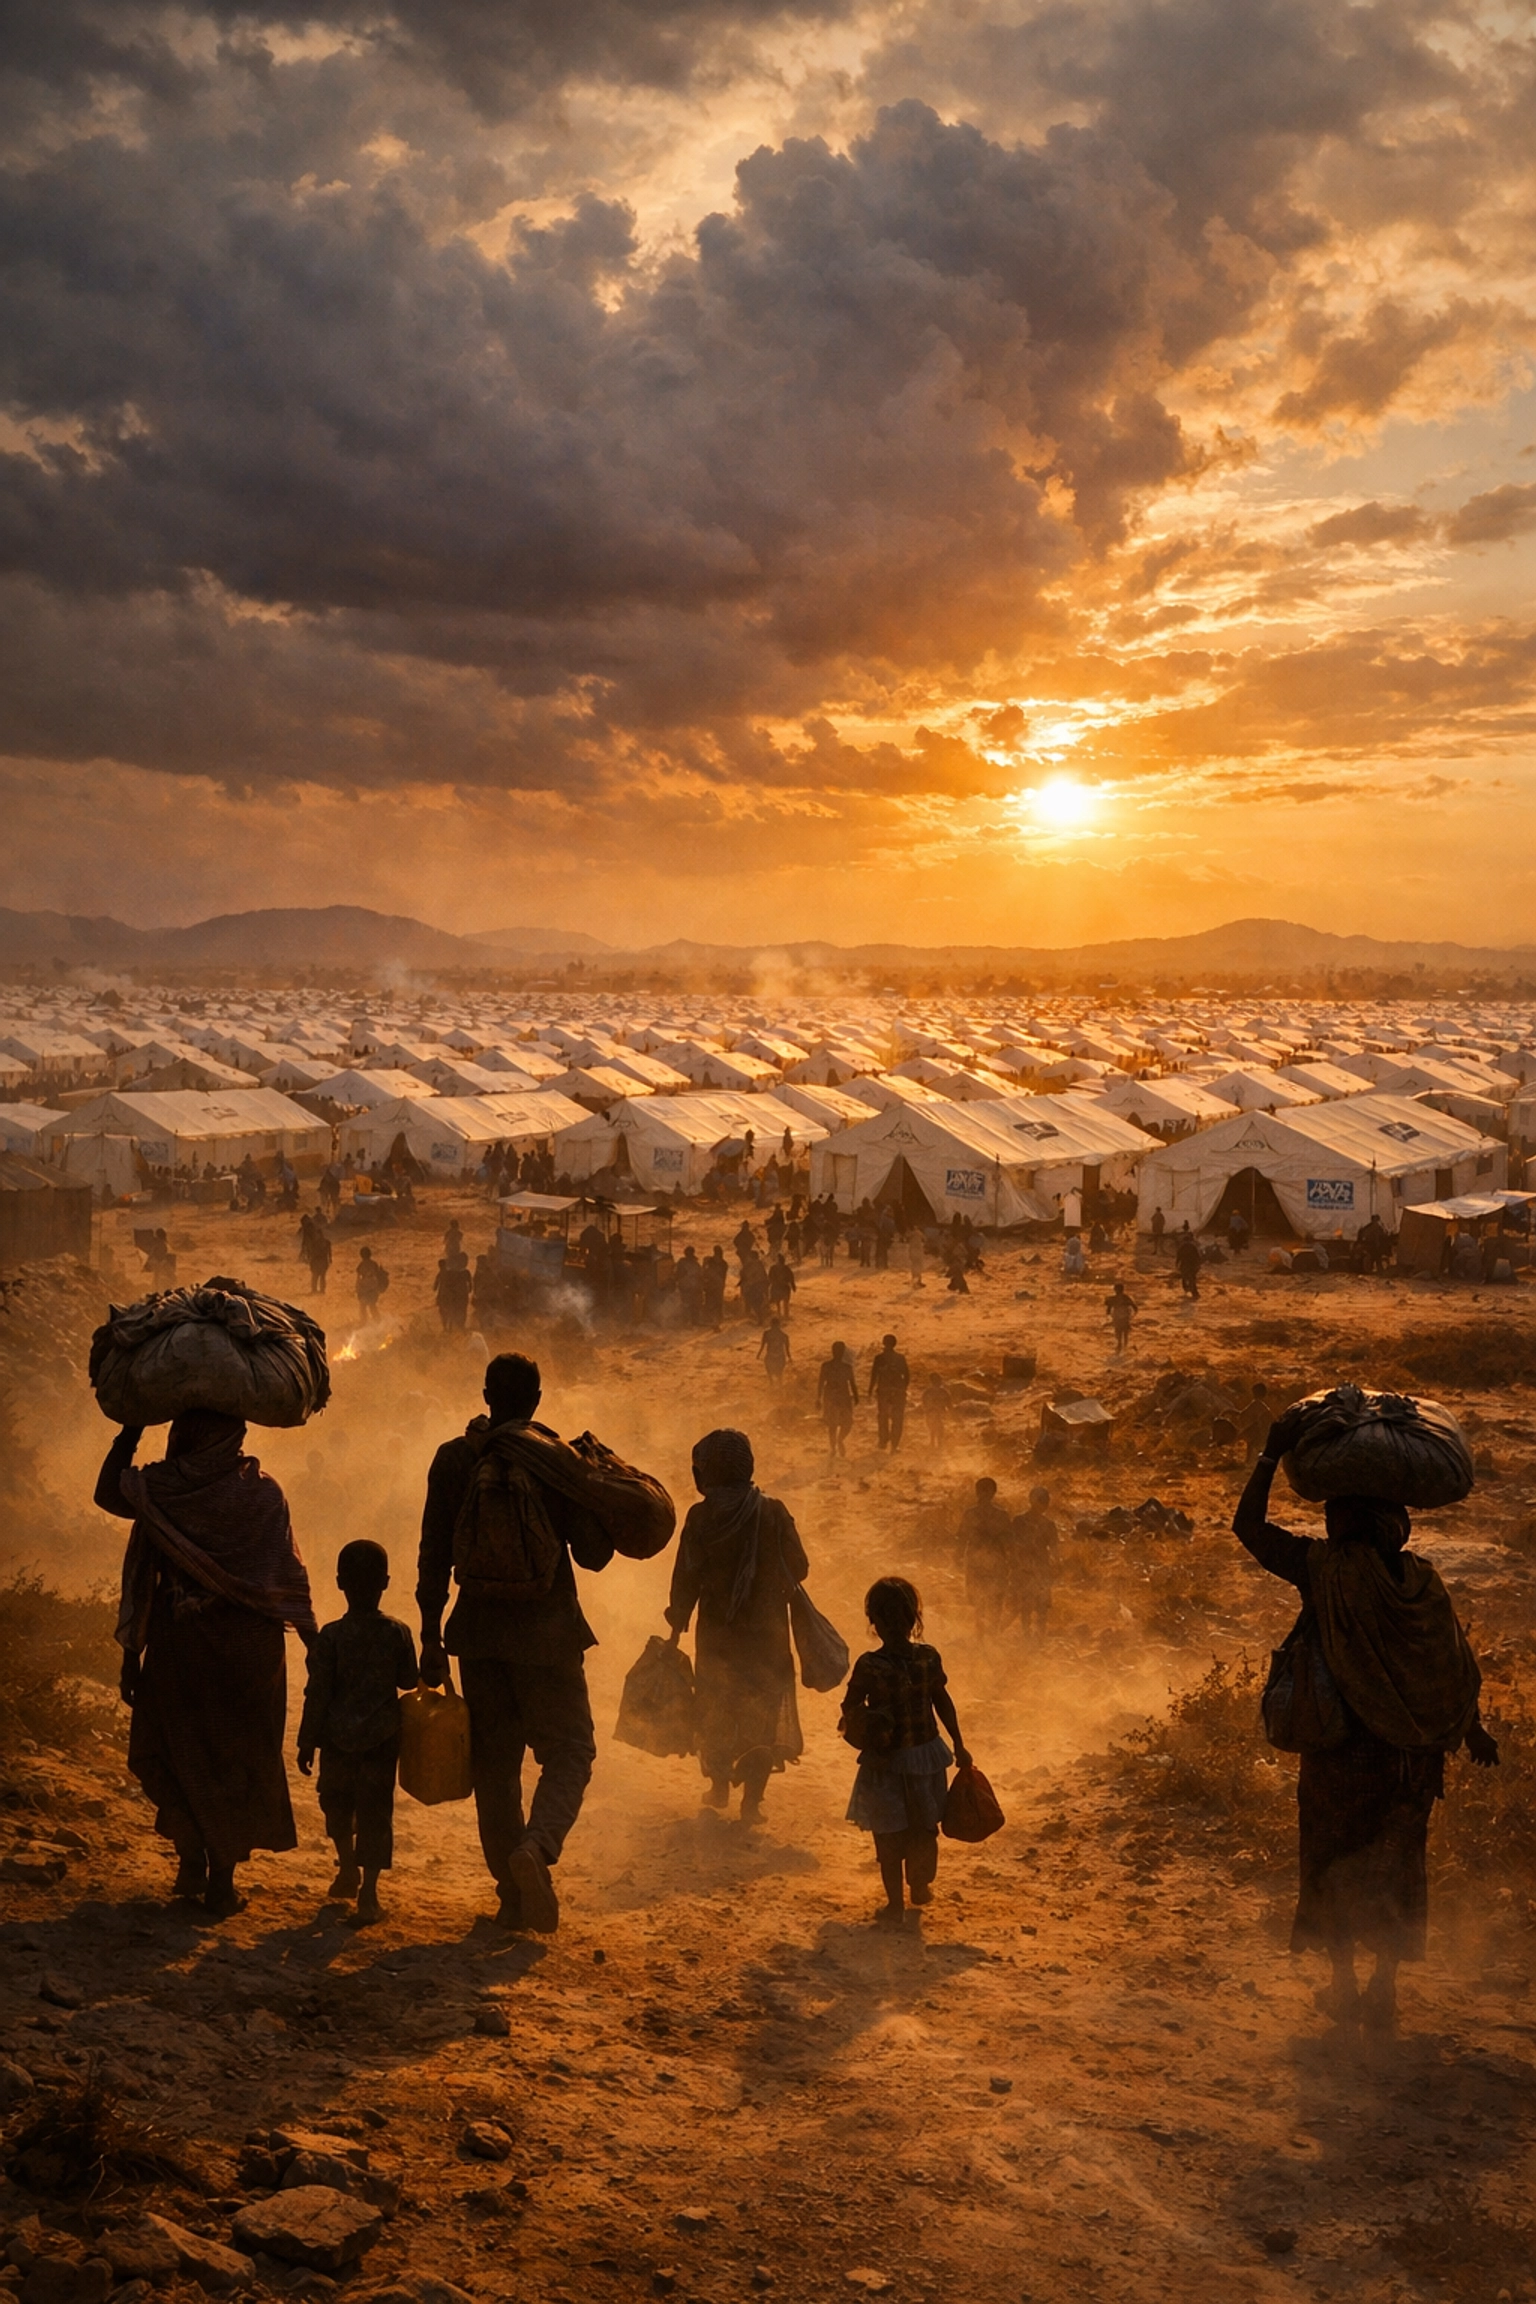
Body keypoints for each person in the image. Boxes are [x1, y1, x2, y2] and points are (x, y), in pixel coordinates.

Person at [1233, 1410, 1497, 2033]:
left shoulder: (1326, 1571)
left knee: (1331, 1862)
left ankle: (1347, 1984)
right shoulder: (1423, 1585)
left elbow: (1247, 1527)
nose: (1330, 1521)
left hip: (1342, 1758)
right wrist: (1472, 1729)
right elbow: (1451, 1665)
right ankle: (1381, 1988)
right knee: (1397, 1869)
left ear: (1357, 1524)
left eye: (1339, 1514)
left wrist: (1271, 1454)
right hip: (1409, 1763)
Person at [417, 1352, 666, 1931]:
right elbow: (596, 1556)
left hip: (477, 1636)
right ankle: (538, 1846)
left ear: (486, 1395)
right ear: (535, 1402)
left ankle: (511, 1894)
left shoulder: (455, 1459)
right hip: (549, 1637)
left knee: (495, 1769)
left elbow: (433, 1556)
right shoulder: (557, 1464)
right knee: (571, 1751)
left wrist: (431, 1637)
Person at [97, 1410, 317, 1918]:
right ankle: (218, 1877)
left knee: (180, 1750)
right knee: (233, 1759)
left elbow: (108, 1493)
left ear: (183, 1433)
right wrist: (312, 1639)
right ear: (235, 1436)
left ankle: (194, 1857)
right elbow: (286, 1575)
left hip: (183, 1646)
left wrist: (131, 1430)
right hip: (249, 1654)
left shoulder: (162, 1487)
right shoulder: (263, 1493)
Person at [665, 1429, 807, 1826]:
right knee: (761, 1715)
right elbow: (800, 1567)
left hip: (717, 1638)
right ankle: (753, 1802)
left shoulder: (701, 1516)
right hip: (768, 1636)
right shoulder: (773, 1511)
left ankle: (720, 1787)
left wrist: (678, 1620)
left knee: (716, 1709)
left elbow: (686, 1576)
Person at [297, 1539, 418, 1925]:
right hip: (381, 1738)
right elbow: (408, 1680)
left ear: (338, 1582)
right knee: (375, 1811)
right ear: (385, 1582)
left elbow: (317, 1692)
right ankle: (368, 1895)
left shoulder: (330, 1637)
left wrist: (306, 1741)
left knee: (336, 1802)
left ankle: (346, 1868)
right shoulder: (397, 1633)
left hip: (336, 1738)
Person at [840, 1576, 969, 1928]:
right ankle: (916, 1886)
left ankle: (898, 1902)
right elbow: (942, 1702)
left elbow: (848, 1708)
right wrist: (957, 1742)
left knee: (891, 1834)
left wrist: (870, 1724)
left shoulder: (872, 1665)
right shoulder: (925, 1658)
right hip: (921, 1758)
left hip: (891, 1763)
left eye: (899, 1619)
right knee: (921, 1828)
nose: (895, 1626)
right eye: (890, 1620)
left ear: (873, 1623)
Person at [959, 1478, 1015, 1638]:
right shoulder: (998, 1515)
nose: (984, 1494)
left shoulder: (995, 1515)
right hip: (984, 1562)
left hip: (990, 1562)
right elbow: (963, 1538)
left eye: (987, 1490)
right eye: (983, 1490)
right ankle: (984, 1635)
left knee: (991, 1599)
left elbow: (1008, 1540)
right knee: (981, 1601)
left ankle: (988, 1635)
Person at [1012, 1487, 1058, 1633]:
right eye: (1042, 1500)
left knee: (1037, 1604)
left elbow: (1054, 1548)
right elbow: (1013, 1544)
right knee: (1031, 1603)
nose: (1044, 1504)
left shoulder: (1047, 1524)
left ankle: (1034, 1634)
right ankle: (1031, 1633)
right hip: (1029, 1566)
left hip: (1033, 1566)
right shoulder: (1021, 1521)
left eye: (1046, 1500)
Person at [817, 1340, 860, 1457]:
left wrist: (856, 1396)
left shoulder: (847, 1367)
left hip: (843, 1398)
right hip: (831, 1397)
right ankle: (833, 1448)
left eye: (840, 1351)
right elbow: (821, 1382)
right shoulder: (826, 1366)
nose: (838, 1353)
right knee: (832, 1425)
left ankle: (840, 1440)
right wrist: (818, 1398)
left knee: (847, 1423)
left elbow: (852, 1383)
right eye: (837, 1351)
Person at [870, 1333, 910, 1452]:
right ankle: (894, 1445)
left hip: (884, 1392)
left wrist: (870, 1390)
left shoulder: (879, 1358)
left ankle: (883, 1441)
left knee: (883, 1417)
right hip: (897, 1392)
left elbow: (874, 1375)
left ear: (883, 1343)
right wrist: (903, 1388)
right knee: (897, 1418)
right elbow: (907, 1375)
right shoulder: (899, 1358)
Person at [435, 1254, 473, 1334]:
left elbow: (435, 1287)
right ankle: (453, 1327)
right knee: (453, 1311)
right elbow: (470, 1286)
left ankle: (453, 1327)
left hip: (457, 1296)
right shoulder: (459, 1273)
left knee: (454, 1311)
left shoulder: (457, 1273)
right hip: (455, 1296)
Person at [1238, 1381, 1274, 1460]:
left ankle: (1249, 1460)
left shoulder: (1256, 1404)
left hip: (1260, 1429)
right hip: (1263, 1428)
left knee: (1251, 1440)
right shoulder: (1263, 1405)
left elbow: (1245, 1413)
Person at [1104, 1279, 1139, 1353]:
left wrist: (1108, 1316)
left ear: (1115, 1290)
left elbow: (1108, 1310)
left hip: (1118, 1319)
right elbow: (1135, 1307)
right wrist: (1133, 1315)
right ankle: (1124, 1348)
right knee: (1125, 1334)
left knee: (1119, 1334)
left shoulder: (1113, 1299)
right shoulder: (1126, 1298)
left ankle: (1120, 1347)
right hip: (1125, 1318)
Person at [356, 1246, 390, 1321]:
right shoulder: (374, 1264)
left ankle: (364, 1322)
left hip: (364, 1289)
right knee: (372, 1306)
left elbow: (359, 1279)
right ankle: (377, 1320)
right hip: (374, 1288)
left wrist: (358, 1289)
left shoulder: (361, 1265)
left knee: (363, 1307)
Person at [758, 1315, 792, 1383]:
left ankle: (772, 1385)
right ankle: (778, 1387)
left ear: (771, 1324)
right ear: (779, 1325)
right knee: (779, 1375)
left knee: (770, 1374)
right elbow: (787, 1349)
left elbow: (762, 1346)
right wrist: (789, 1357)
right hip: (780, 1357)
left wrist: (758, 1354)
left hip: (771, 1356)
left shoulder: (767, 1333)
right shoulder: (784, 1335)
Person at [702, 1246, 729, 1331]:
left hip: (711, 1286)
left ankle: (713, 1321)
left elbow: (704, 1271)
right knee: (717, 1304)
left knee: (710, 1304)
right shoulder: (724, 1263)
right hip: (718, 1286)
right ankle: (716, 1322)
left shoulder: (710, 1261)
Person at [921, 1371, 949, 1451]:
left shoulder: (927, 1392)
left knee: (934, 1430)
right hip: (936, 1415)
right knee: (937, 1430)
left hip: (933, 1415)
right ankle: (936, 1445)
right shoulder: (943, 1392)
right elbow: (949, 1405)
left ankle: (934, 1444)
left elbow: (924, 1405)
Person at [1175, 1227, 1202, 1301]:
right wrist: (1198, 1265)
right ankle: (1194, 1292)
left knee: (1184, 1277)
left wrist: (1177, 1264)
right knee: (1192, 1278)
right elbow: (1198, 1256)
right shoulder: (1193, 1246)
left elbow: (1178, 1257)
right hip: (1192, 1265)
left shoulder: (1182, 1247)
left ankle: (1186, 1289)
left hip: (1184, 1265)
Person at [767, 1253, 796, 1318]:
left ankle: (779, 1313)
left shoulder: (773, 1268)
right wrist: (793, 1285)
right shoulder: (786, 1268)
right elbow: (791, 1277)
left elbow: (770, 1277)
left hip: (777, 1287)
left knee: (778, 1301)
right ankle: (786, 1315)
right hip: (785, 1287)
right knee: (785, 1301)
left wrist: (769, 1284)